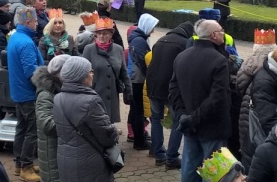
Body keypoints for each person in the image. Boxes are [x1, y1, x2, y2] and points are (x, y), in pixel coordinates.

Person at [171, 19, 232, 182]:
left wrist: (182, 117)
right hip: (212, 127)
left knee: (189, 171)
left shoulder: (181, 56)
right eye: (221, 31)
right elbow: (218, 98)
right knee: (215, 174)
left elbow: (174, 91)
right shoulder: (218, 60)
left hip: (189, 127)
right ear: (214, 36)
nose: (223, 34)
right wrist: (193, 117)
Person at [146, 21, 194, 169]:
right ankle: (172, 157)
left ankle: (158, 154)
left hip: (153, 86)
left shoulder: (160, 41)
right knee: (177, 121)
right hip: (171, 89)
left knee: (155, 119)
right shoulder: (185, 43)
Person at [7, 7, 44, 182]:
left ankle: (19, 164)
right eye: (35, 21)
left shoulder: (16, 37)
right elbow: (32, 72)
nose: (37, 23)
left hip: (19, 92)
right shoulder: (26, 43)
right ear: (28, 22)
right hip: (28, 94)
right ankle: (26, 167)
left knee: (21, 129)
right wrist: (45, 85)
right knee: (32, 131)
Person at [81, 17, 132, 127]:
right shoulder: (89, 49)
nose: (101, 36)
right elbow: (83, 73)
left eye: (105, 33)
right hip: (94, 94)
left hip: (112, 95)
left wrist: (129, 91)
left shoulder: (118, 49)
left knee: (109, 125)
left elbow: (124, 72)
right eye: (99, 33)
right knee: (95, 125)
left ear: (111, 34)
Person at [126, 14, 159, 152]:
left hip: (134, 78)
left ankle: (138, 138)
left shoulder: (137, 38)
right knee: (138, 111)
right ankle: (139, 141)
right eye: (152, 28)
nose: (153, 31)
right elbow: (142, 61)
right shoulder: (139, 41)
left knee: (136, 110)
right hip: (137, 80)